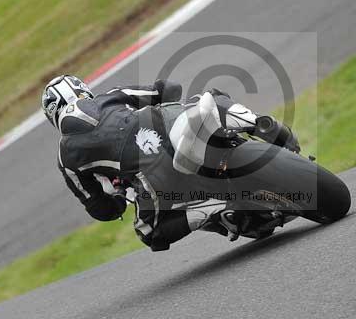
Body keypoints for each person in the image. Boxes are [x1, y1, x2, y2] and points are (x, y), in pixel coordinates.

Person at [41, 75, 300, 251]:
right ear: (82, 89)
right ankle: (266, 127)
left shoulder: (65, 157)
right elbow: (169, 88)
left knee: (149, 232)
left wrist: (118, 195)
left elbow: (101, 209)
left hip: (151, 175)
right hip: (173, 122)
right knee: (212, 99)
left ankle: (216, 208)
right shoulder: (111, 96)